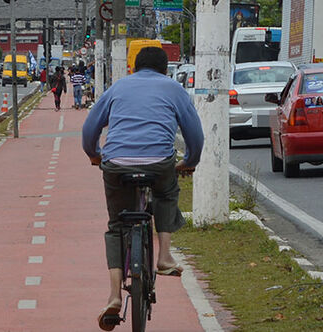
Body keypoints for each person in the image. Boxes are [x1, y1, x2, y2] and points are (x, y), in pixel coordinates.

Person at [81, 46, 204, 331]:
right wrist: (189, 162)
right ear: (165, 69)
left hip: (116, 164)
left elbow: (90, 129)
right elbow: (194, 134)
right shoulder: (174, 89)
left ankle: (113, 296)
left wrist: (94, 154)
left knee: (116, 225)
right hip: (159, 162)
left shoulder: (117, 88)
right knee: (166, 192)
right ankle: (164, 257)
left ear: (134, 67)